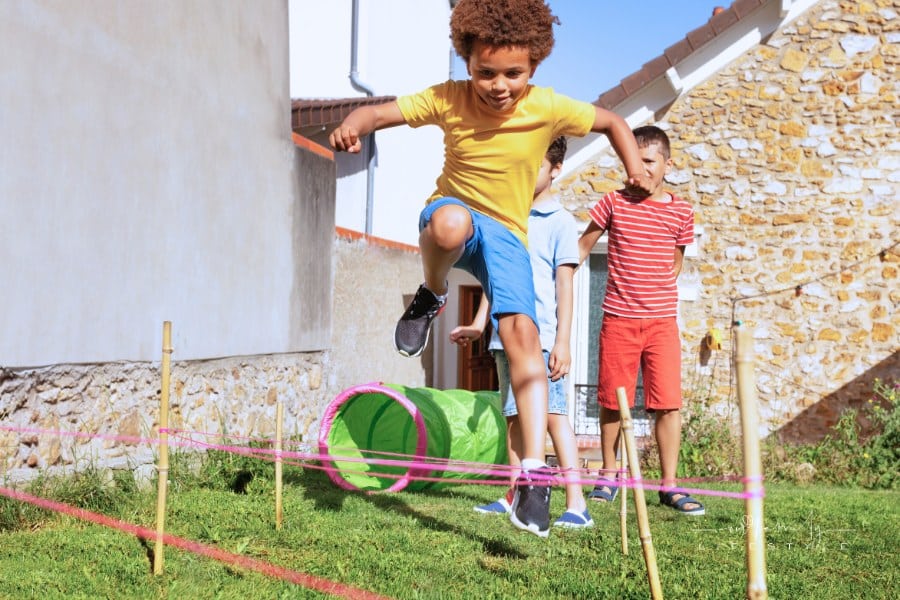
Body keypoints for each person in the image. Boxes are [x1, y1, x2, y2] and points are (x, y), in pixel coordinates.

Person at [329, 0, 651, 537]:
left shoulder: (548, 106)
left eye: (513, 74)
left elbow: (614, 122)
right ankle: (430, 293)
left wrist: (634, 165)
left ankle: (531, 473)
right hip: (455, 211)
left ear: (535, 66)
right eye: (485, 73)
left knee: (522, 335)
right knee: (449, 225)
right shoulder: (449, 98)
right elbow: (378, 113)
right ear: (467, 62)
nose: (498, 85)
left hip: (508, 233)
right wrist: (351, 124)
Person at [450, 137, 592, 528]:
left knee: (552, 416)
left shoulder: (561, 222)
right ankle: (516, 493)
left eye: (536, 166)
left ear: (556, 169)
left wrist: (562, 340)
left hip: (542, 339)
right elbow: (498, 279)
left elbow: (565, 284)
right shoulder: (507, 218)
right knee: (514, 417)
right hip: (503, 336)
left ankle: (577, 503)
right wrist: (481, 323)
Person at [577, 125, 705, 516]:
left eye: (648, 161)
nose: (640, 169)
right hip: (618, 320)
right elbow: (581, 249)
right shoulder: (612, 203)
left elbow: (675, 264)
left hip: (661, 323)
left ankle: (669, 486)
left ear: (667, 164)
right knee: (613, 401)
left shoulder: (681, 212)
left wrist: (652, 298)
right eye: (634, 161)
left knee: (667, 402)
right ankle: (610, 474)